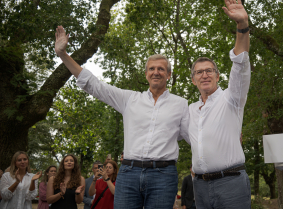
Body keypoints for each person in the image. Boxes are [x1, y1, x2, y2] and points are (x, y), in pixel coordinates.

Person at [54, 26, 190, 209]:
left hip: (163, 175)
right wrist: (63, 54)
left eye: (161, 69)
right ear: (146, 74)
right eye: (151, 68)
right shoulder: (130, 99)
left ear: (169, 74)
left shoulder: (181, 104)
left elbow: (193, 135)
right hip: (129, 173)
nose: (156, 72)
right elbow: (94, 85)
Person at [188, 0, 251, 209]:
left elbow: (241, 64)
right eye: (199, 72)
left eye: (209, 71)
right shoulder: (190, 111)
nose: (204, 74)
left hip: (231, 184)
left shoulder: (231, 98)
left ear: (217, 76)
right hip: (201, 188)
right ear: (193, 80)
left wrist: (242, 26)